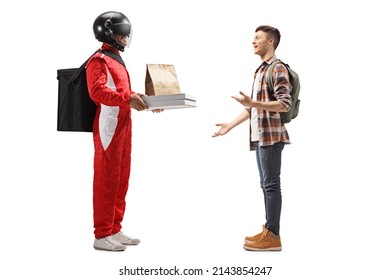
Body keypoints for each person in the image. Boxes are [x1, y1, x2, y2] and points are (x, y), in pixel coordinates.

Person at [86, 11, 161, 251]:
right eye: (121, 34)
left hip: (124, 125)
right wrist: (128, 98)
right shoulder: (98, 60)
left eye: (126, 35)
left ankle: (114, 229)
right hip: (108, 126)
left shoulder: (116, 58)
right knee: (106, 180)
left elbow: (121, 92)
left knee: (121, 179)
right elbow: (97, 93)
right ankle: (101, 234)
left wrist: (142, 99)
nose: (125, 38)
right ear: (107, 32)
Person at [213, 25, 292, 251]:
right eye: (253, 38)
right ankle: (269, 230)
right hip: (259, 136)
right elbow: (253, 109)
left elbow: (283, 103)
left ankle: (273, 236)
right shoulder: (260, 70)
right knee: (266, 185)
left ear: (271, 41)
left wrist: (254, 103)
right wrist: (230, 125)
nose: (253, 41)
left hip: (271, 137)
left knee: (271, 186)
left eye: (258, 38)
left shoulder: (277, 69)